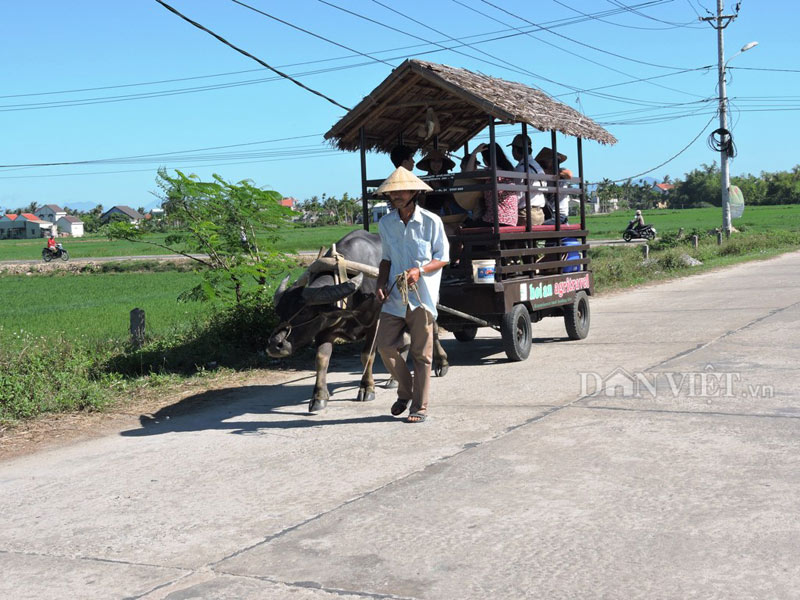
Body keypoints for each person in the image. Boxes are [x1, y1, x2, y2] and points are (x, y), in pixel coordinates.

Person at [375, 167, 449, 423]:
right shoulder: (385, 223)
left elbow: (442, 258)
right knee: (384, 346)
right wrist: (380, 284)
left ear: (413, 193)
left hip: (422, 297)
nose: (396, 195)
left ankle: (420, 407)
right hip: (395, 296)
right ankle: (406, 390)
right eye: (392, 191)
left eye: (401, 190)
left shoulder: (431, 222)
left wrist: (420, 270)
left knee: (422, 354)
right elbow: (385, 259)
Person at [461, 142, 519, 228]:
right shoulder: (508, 169)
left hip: (496, 219)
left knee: (465, 225)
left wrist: (474, 153)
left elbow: (468, 173)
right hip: (511, 219)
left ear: (486, 159)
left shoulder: (491, 171)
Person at [508, 134, 546, 226]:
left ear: (516, 150)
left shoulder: (521, 168)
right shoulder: (537, 166)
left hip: (525, 214)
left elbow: (517, 195)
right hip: (540, 213)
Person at [536, 147, 571, 225]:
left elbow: (569, 174)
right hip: (548, 214)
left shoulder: (561, 173)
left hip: (559, 215)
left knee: (539, 226)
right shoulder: (542, 177)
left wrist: (555, 172)